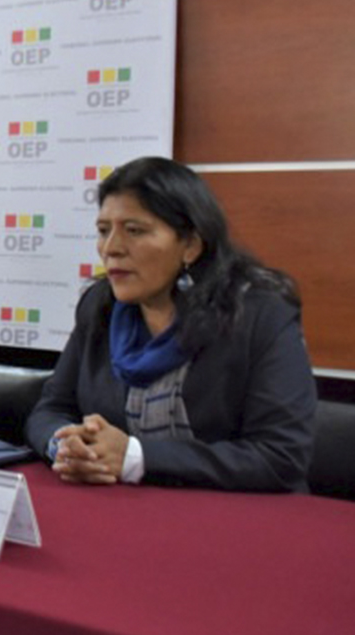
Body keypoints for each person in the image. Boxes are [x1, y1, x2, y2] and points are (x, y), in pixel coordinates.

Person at [25, 157, 316, 492]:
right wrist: (66, 446)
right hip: (125, 511)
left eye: (134, 230)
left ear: (190, 244)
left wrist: (135, 457)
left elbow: (280, 456)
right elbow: (50, 409)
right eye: (104, 231)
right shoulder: (98, 306)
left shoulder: (259, 313)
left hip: (243, 520)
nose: (111, 248)